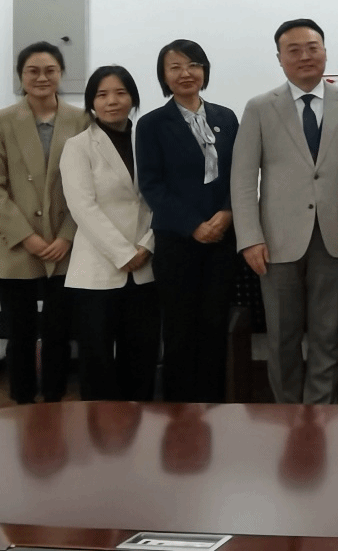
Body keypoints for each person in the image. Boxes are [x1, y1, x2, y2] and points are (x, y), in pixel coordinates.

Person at [230, 19, 338, 404]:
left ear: (325, 51)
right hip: (276, 240)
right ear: (279, 58)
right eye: (294, 50)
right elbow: (243, 179)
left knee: (328, 332)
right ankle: (288, 412)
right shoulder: (260, 108)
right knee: (281, 334)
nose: (305, 56)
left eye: (313, 47)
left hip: (337, 234)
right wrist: (250, 237)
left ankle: (320, 411)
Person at [0, 41, 89, 404]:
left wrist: (68, 235)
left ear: (61, 74)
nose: (42, 78)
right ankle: (22, 405)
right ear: (21, 76)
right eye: (33, 71)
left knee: (59, 332)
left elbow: (89, 184)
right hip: (15, 246)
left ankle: (54, 402)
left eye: (50, 70)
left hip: (65, 245)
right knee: (20, 334)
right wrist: (26, 236)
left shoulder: (82, 120)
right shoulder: (0, 121)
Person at [136, 39, 240, 403]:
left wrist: (227, 213)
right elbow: (152, 185)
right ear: (163, 76)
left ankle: (213, 405)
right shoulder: (151, 124)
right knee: (180, 328)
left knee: (215, 324)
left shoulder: (226, 118)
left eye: (193, 65)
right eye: (175, 67)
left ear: (204, 71)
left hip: (223, 240)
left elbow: (240, 173)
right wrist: (194, 225)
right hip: (177, 241)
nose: (186, 73)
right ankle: (179, 409)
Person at [60, 65, 159, 402]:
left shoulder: (148, 140)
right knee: (97, 362)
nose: (112, 101)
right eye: (102, 95)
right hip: (97, 269)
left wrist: (147, 245)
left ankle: (142, 424)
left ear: (133, 98)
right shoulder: (78, 146)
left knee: (142, 358)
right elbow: (82, 207)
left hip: (145, 266)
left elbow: (160, 198)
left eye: (120, 93)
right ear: (91, 102)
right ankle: (98, 430)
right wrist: (123, 252)